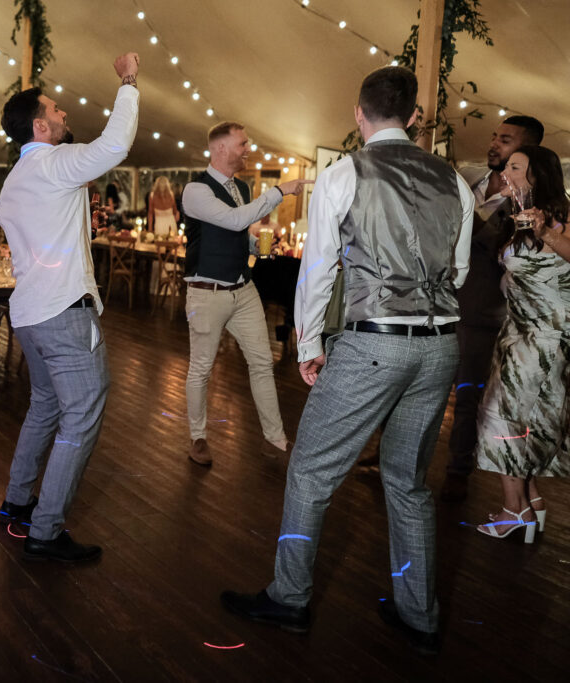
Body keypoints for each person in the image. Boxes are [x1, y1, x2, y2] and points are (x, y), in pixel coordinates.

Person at [220, 66, 474, 656]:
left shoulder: (345, 172)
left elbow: (319, 269)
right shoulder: (454, 182)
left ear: (359, 116)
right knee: (408, 484)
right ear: (414, 117)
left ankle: (289, 599)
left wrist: (308, 346)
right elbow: (459, 272)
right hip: (440, 346)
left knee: (310, 471)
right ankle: (420, 616)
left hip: (374, 344)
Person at [0, 52, 140, 563]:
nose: (64, 115)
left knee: (45, 407)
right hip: (63, 313)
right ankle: (46, 531)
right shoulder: (54, 164)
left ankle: (16, 503)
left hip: (29, 314)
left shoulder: (15, 181)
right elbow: (116, 143)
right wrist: (126, 81)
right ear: (39, 125)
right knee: (81, 415)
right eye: (56, 111)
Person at [181, 122, 310, 466]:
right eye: (242, 144)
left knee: (263, 362)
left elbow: (237, 232)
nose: (248, 149)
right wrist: (278, 192)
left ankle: (276, 438)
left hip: (243, 288)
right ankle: (198, 437)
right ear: (220, 148)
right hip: (207, 293)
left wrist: (257, 244)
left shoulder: (241, 185)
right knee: (201, 368)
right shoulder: (195, 190)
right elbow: (234, 220)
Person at [441, 115, 545, 502]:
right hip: (438, 305)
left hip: (481, 312)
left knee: (467, 397)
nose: (493, 144)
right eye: (494, 137)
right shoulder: (468, 180)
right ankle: (390, 457)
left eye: (505, 140)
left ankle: (457, 470)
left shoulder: (529, 208)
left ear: (526, 152)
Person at [474, 145, 570, 541]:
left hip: (541, 341)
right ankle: (530, 501)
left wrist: (546, 230)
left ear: (538, 175)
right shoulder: (514, 216)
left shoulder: (559, 217)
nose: (506, 172)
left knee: (506, 421)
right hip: (517, 333)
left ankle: (515, 511)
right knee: (520, 420)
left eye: (515, 167)